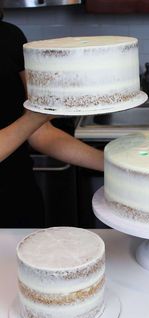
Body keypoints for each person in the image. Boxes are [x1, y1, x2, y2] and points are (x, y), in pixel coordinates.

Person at [0, 9, 104, 228]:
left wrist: (112, 166)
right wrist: (35, 117)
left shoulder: (10, 37)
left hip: (19, 202)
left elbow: (40, 132)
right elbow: (32, 120)